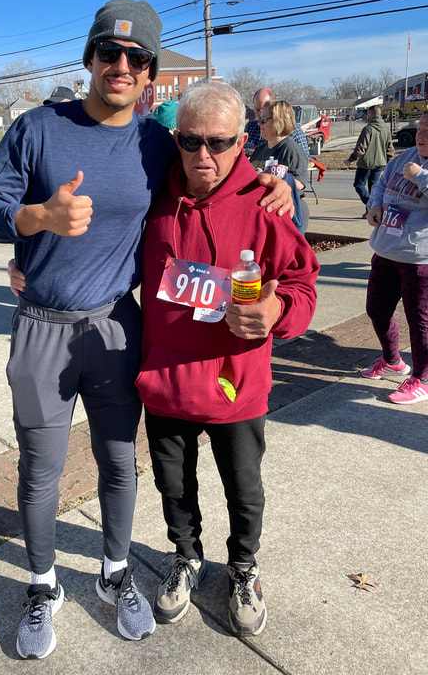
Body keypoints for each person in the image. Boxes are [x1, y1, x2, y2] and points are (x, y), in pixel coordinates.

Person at [0, 0, 293, 661]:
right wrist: (36, 219)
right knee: (40, 469)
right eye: (109, 52)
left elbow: (214, 169)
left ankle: (115, 575)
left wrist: (272, 183)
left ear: (150, 72)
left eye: (136, 57)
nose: (121, 65)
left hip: (117, 325)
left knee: (119, 463)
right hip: (43, 326)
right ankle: (42, 585)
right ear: (90, 58)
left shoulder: (157, 143)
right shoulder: (36, 128)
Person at [135, 81, 318, 637]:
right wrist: (29, 262)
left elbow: (302, 285)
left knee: (244, 489)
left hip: (235, 385)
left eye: (218, 142)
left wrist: (276, 310)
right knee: (173, 487)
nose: (204, 155)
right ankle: (186, 556)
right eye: (191, 141)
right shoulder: (152, 196)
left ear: (243, 141)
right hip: (165, 381)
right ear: (176, 139)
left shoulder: (266, 204)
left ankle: (243, 566)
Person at [360, 111, 428, 404]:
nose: (421, 135)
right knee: (377, 309)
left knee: (420, 321)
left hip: (419, 258)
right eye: (420, 129)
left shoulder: (415, 167)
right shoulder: (404, 158)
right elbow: (380, 185)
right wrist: (374, 206)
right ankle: (392, 361)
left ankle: (422, 379)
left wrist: (420, 177)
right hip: (386, 249)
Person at [249, 100, 309, 234]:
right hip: (265, 214)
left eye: (263, 119)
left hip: (287, 214)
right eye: (259, 119)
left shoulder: (291, 150)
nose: (259, 123)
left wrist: (266, 177)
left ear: (279, 121)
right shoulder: (259, 150)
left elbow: (299, 183)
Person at [343, 104, 394, 217]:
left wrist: (350, 159)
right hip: (380, 163)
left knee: (358, 184)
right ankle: (370, 212)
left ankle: (371, 205)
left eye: (367, 114)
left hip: (366, 163)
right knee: (373, 188)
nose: (367, 116)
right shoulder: (386, 129)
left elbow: (361, 148)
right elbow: (390, 148)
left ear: (371, 114)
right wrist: (389, 161)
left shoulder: (368, 129)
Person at [244, 87, 310, 160]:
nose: (260, 113)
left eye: (263, 109)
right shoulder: (251, 127)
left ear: (274, 106)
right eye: (257, 110)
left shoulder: (294, 132)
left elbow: (304, 160)